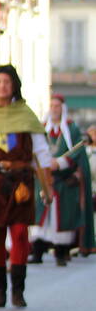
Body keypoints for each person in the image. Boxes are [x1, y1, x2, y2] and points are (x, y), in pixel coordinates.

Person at [0, 66, 53, 308]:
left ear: (14, 85)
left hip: (20, 184)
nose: (2, 86)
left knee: (20, 234)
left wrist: (47, 184)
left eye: (7, 82)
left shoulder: (25, 115)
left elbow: (41, 152)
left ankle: (18, 290)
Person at [34, 93, 94, 265]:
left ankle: (61, 253)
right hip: (44, 179)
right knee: (40, 217)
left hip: (63, 180)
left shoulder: (72, 129)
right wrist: (44, 163)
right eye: (52, 106)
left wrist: (59, 163)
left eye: (57, 106)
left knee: (62, 217)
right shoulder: (42, 127)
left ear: (63, 109)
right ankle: (37, 252)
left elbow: (77, 153)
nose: (54, 109)